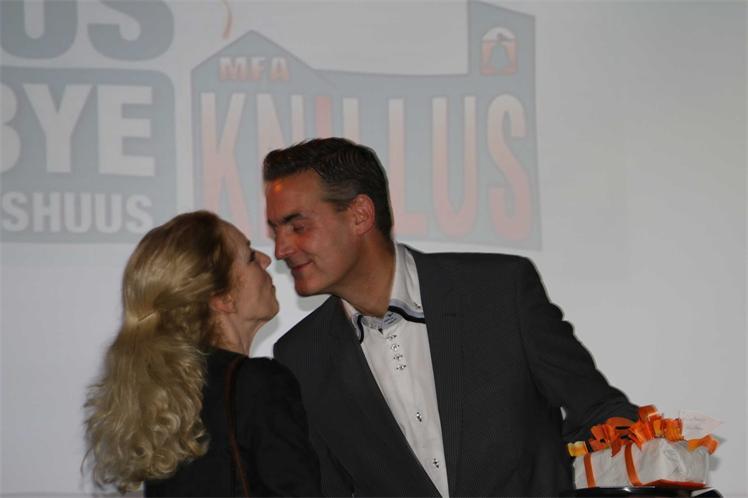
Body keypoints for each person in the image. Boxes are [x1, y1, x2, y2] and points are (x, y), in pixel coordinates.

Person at [263, 138, 639, 497]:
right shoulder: (301, 355)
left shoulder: (499, 291)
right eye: (276, 230)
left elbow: (601, 411)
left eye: (298, 226)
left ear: (360, 215)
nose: (281, 249)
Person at [84, 211, 321, 497]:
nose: (266, 260)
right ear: (222, 298)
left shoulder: (166, 398)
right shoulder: (256, 383)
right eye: (249, 257)